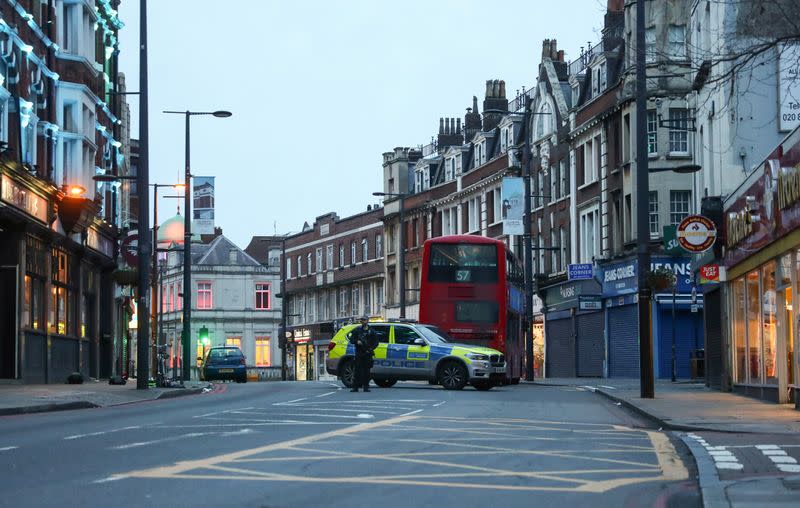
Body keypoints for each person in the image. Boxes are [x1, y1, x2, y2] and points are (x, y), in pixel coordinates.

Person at [348, 315, 378, 392]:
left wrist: (371, 349)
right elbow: (351, 339)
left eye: (364, 320)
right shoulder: (357, 330)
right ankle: (355, 387)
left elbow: (376, 342)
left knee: (366, 371)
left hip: (368, 353)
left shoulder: (372, 331)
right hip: (359, 353)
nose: (363, 321)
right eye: (362, 320)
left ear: (367, 321)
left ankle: (366, 387)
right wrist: (356, 341)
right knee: (357, 370)